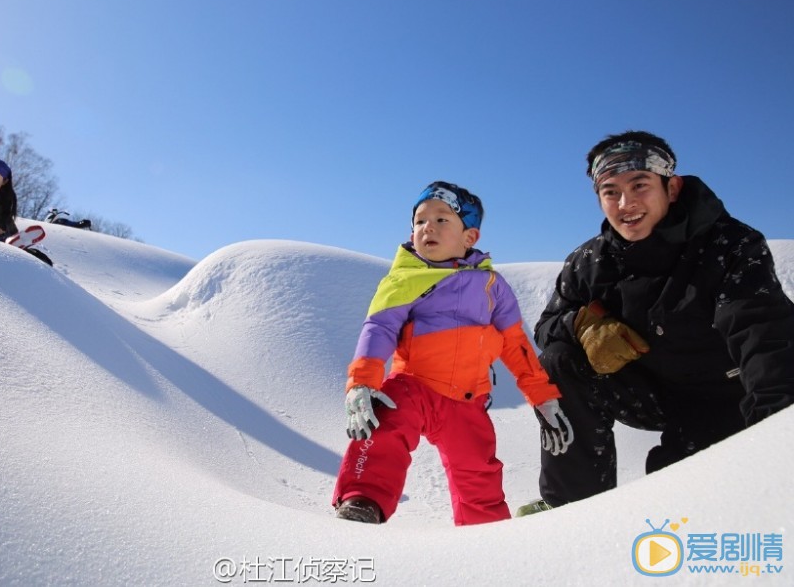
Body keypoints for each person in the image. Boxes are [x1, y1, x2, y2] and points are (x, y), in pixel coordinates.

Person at [518, 131, 794, 516]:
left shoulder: (730, 246)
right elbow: (547, 326)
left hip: (731, 396)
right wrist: (581, 324)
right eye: (610, 191)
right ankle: (571, 508)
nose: (626, 203)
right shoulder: (590, 262)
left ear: (672, 187)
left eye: (640, 185)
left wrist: (778, 437)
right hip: (654, 392)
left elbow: (762, 336)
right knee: (558, 361)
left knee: (685, 506)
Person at [331, 181, 574, 526]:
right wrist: (361, 383)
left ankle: (484, 532)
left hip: (468, 400)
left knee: (480, 470)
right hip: (414, 386)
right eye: (419, 221)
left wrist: (542, 396)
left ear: (469, 237)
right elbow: (379, 330)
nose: (427, 227)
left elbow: (514, 343)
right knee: (384, 425)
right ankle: (362, 501)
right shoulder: (404, 280)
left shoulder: (493, 287)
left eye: (442, 219)